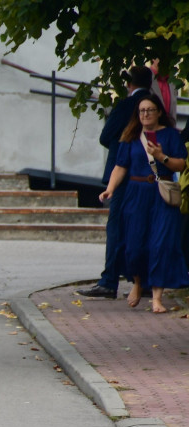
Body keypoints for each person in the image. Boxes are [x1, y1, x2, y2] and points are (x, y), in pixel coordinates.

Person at [99, 92, 189, 313]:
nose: (146, 114)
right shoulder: (130, 136)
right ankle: (138, 284)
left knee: (160, 245)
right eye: (142, 111)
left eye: (150, 110)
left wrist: (162, 157)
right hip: (136, 194)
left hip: (162, 194)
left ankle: (157, 298)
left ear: (159, 112)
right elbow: (120, 166)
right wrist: (109, 189)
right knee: (135, 246)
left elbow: (181, 165)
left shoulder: (170, 136)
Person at [78, 65, 153, 300]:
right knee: (144, 227)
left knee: (117, 227)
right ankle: (143, 282)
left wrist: (124, 149)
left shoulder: (125, 105)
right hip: (149, 176)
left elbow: (105, 136)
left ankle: (109, 281)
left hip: (122, 175)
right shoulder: (154, 106)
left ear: (130, 84)